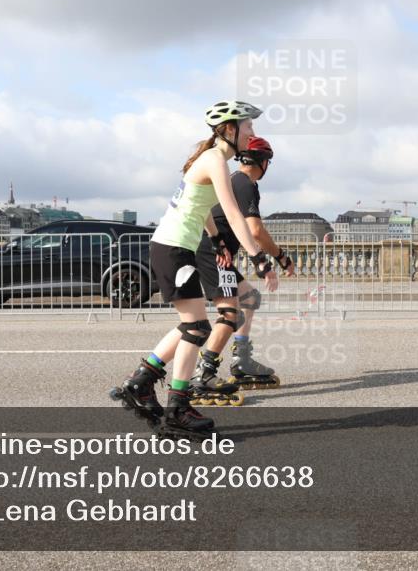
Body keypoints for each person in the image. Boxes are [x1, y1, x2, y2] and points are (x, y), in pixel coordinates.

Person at [109, 100, 278, 439]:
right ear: (229, 129)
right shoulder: (214, 160)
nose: (252, 134)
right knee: (197, 328)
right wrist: (259, 256)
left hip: (174, 247)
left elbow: (202, 210)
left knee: (193, 326)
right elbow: (231, 212)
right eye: (248, 128)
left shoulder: (212, 158)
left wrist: (216, 243)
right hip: (173, 248)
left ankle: (141, 383)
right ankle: (176, 410)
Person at [188, 135, 295, 405]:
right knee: (230, 313)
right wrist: (278, 258)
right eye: (268, 161)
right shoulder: (246, 184)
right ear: (263, 162)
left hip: (212, 252)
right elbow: (255, 230)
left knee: (250, 299)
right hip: (213, 254)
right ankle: (204, 373)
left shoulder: (235, 179)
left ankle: (241, 360)